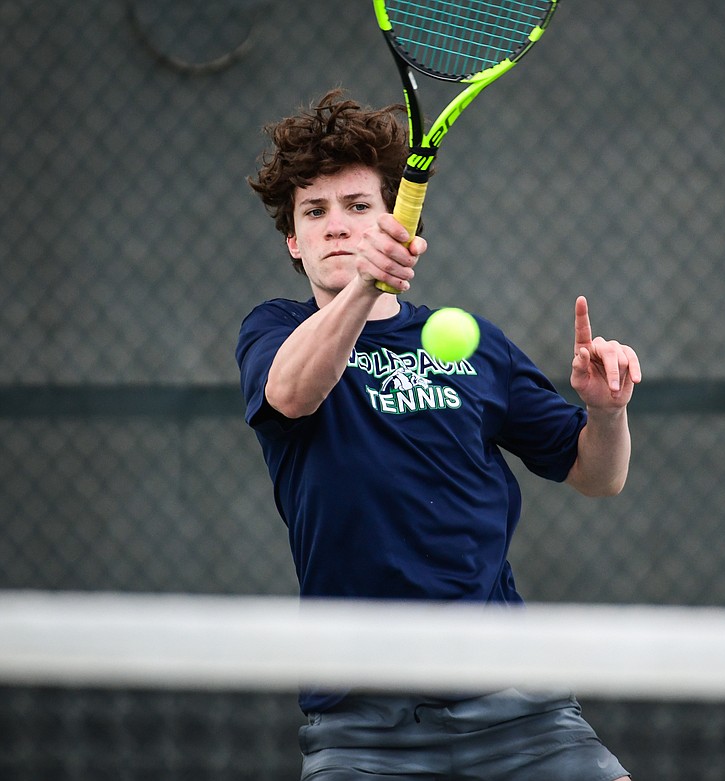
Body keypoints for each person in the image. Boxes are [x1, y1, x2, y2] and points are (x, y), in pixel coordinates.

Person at [236, 88, 639, 781]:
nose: (337, 226)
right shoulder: (273, 331)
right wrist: (366, 283)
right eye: (316, 212)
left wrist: (606, 413)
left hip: (519, 706)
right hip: (361, 725)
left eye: (358, 207)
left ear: (395, 220)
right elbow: (293, 392)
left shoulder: (474, 345)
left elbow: (598, 475)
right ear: (293, 242)